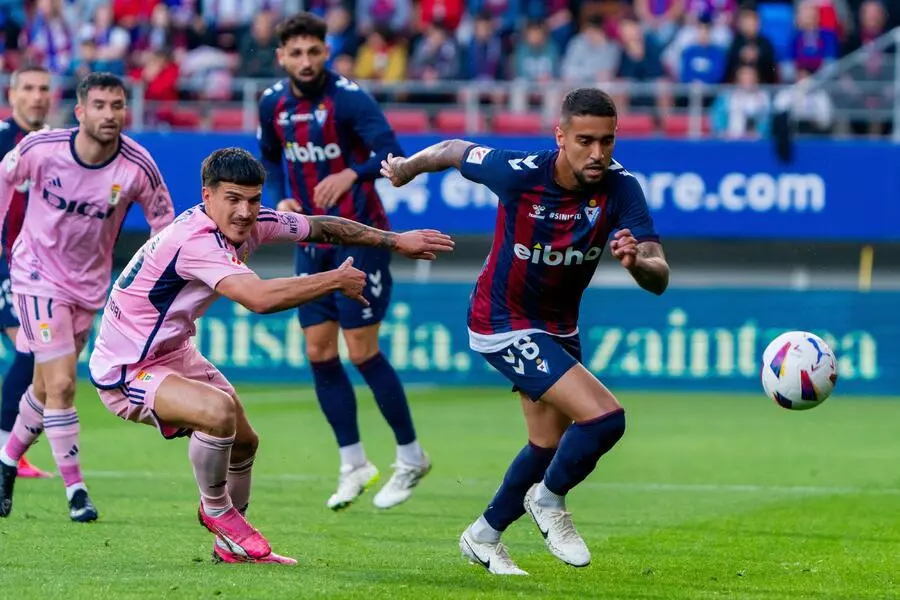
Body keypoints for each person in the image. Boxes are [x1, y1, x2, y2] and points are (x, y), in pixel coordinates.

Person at [88, 147, 454, 564]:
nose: (245, 211)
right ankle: (217, 511)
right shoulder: (195, 242)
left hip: (173, 351)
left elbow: (321, 227)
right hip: (127, 366)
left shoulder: (253, 222)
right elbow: (258, 299)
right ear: (206, 196)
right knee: (217, 411)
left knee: (244, 443)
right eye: (233, 199)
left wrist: (394, 241)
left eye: (253, 199)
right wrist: (332, 279)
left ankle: (231, 551)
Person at [380, 88, 670, 575]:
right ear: (560, 136)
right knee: (605, 420)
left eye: (607, 141)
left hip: (558, 329)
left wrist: (638, 263)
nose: (597, 153)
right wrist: (408, 168)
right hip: (501, 321)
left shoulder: (622, 188)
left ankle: (483, 536)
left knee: (546, 446)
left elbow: (659, 276)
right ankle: (550, 501)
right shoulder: (519, 173)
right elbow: (453, 150)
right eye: (584, 141)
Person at [258, 12, 432, 511]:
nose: (306, 61)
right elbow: (270, 160)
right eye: (296, 53)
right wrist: (280, 198)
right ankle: (354, 462)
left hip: (361, 240)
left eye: (314, 51)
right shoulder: (272, 103)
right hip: (309, 241)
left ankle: (411, 455)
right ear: (282, 57)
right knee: (317, 351)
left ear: (326, 51)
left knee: (361, 352)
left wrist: (352, 175)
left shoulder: (350, 98)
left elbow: (392, 153)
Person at [0, 72, 176, 522]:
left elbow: (164, 227)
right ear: (80, 112)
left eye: (117, 106)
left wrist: (157, 285)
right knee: (61, 384)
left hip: (89, 286)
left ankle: (4, 463)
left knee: (43, 387)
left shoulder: (138, 166)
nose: (109, 114)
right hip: (35, 274)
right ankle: (77, 491)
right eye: (99, 105)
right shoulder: (43, 148)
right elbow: (5, 175)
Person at [0, 65, 54, 479]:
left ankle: (9, 449)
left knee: (36, 353)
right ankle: (6, 449)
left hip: (31, 268)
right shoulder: (2, 140)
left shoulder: (53, 144)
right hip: (3, 261)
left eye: (44, 89)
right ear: (12, 94)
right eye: (29, 89)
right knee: (32, 349)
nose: (37, 96)